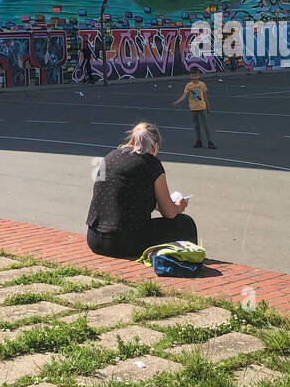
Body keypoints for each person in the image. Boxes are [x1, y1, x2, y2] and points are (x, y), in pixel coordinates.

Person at [86, 121, 198, 259]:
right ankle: (188, 262)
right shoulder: (151, 164)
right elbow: (169, 213)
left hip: (94, 238)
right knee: (185, 224)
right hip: (125, 241)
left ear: (132, 139)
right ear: (155, 145)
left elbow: (115, 193)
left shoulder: (110, 156)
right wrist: (179, 206)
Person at [172, 73, 216, 149]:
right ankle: (199, 141)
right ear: (190, 76)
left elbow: (205, 96)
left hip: (202, 107)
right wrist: (178, 101)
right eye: (192, 76)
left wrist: (208, 107)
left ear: (199, 76)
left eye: (196, 76)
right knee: (197, 126)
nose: (194, 77)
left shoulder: (202, 84)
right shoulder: (189, 85)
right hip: (193, 108)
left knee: (205, 125)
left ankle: (210, 142)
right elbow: (184, 96)